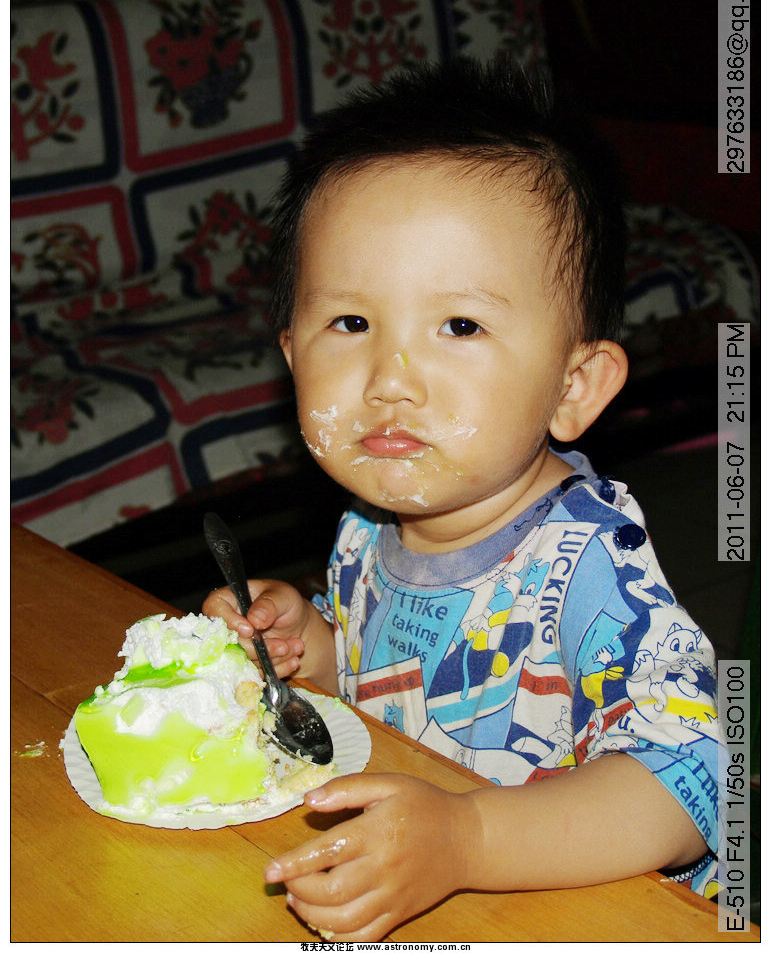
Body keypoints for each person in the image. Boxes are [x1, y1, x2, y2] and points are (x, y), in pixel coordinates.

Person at [204, 58, 721, 940]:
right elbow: (385, 680)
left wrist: (468, 838)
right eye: (351, 323)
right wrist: (309, 649)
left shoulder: (589, 565)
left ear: (572, 386)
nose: (390, 378)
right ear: (291, 356)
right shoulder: (368, 531)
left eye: (460, 325)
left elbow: (692, 780)